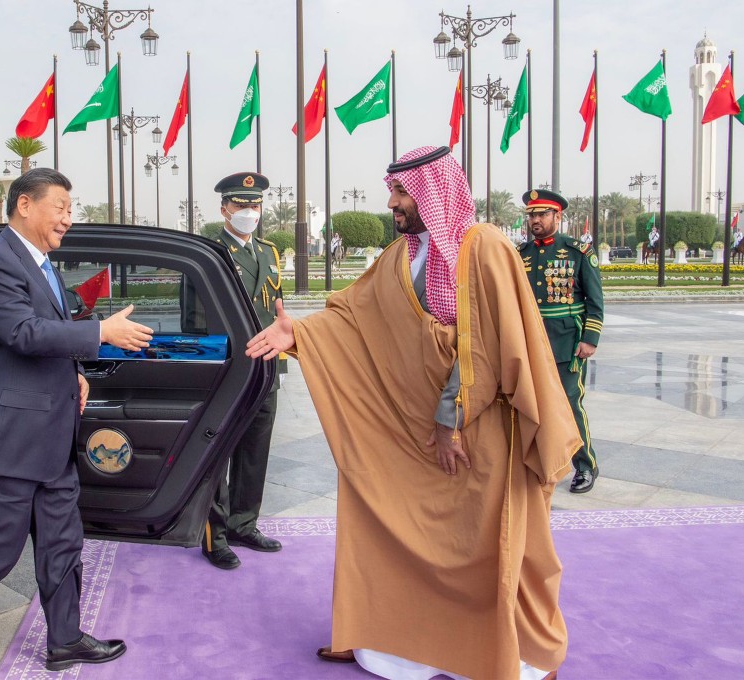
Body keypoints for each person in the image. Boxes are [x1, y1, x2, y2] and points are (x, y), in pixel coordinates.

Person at [246, 146, 582, 680]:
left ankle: (503, 655)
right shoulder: (400, 256)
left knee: (483, 544)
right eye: (393, 190)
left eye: (402, 191)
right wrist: (301, 332)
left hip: (480, 433)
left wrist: (451, 420)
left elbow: (489, 344)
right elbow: (356, 317)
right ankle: (400, 643)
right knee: (386, 511)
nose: (392, 202)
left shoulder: (484, 248)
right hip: (419, 430)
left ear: (432, 192)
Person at [0, 168, 154, 673]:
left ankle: (64, 640)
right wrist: (100, 332)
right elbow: (23, 333)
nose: (68, 219)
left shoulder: (43, 264)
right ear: (25, 205)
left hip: (50, 434)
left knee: (63, 543)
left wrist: (74, 373)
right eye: (61, 207)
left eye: (71, 209)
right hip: (6, 438)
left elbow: (49, 333)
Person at [201, 172, 284, 570]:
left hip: (265, 368)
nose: (249, 212)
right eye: (240, 204)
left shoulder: (268, 252)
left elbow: (276, 309)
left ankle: (243, 524)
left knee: (255, 450)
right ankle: (214, 536)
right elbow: (196, 315)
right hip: (229, 369)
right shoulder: (210, 251)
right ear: (224, 208)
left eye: (255, 205)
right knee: (219, 454)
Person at [519, 189, 605, 493]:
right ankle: (540, 461)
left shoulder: (577, 251)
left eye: (542, 214)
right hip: (530, 343)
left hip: (567, 342)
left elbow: (595, 300)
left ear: (558, 216)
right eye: (532, 215)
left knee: (569, 405)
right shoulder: (522, 254)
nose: (536, 220)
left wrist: (590, 338)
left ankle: (585, 466)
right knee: (530, 405)